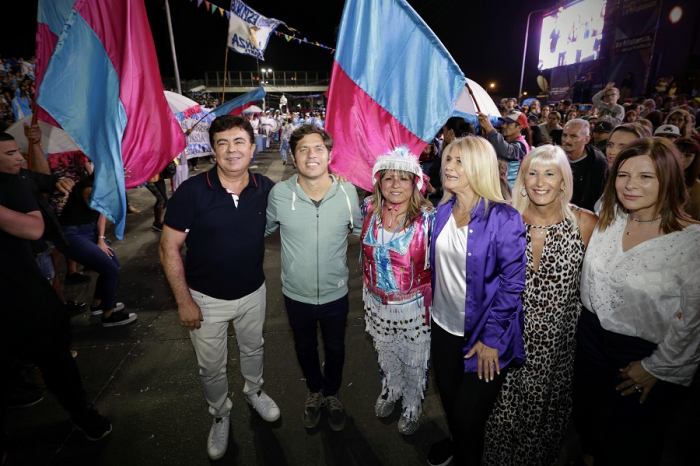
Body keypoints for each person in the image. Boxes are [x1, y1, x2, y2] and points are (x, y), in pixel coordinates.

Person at [159, 115, 280, 461]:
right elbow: (168, 248)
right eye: (223, 143)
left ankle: (254, 392)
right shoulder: (192, 192)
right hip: (205, 299)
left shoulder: (266, 188)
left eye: (239, 141)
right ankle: (220, 414)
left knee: (254, 348)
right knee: (211, 367)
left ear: (252, 147)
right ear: (212, 150)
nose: (231, 150)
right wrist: (184, 301)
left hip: (254, 292)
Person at [574, 137, 700, 466]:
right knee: (589, 422)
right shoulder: (608, 220)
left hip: (644, 353)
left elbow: (693, 322)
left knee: (630, 440)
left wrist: (656, 367)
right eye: (623, 175)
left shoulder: (691, 241)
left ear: (669, 179)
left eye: (645, 176)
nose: (630, 185)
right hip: (589, 339)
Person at [484, 145, 597, 466]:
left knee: (545, 419)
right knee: (502, 416)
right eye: (532, 172)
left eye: (550, 172)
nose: (539, 181)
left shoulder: (585, 224)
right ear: (521, 180)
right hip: (507, 343)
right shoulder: (504, 221)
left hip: (557, 351)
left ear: (564, 181)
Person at [0, 133, 112, 455]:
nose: (18, 158)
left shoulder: (12, 184)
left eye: (16, 151)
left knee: (55, 357)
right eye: (10, 153)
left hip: (25, 288)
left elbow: (34, 224)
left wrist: (34, 144)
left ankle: (82, 414)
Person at [427, 136, 527, 466]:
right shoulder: (441, 212)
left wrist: (491, 339)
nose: (449, 166)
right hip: (443, 329)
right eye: (448, 159)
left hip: (485, 336)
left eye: (459, 161)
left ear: (480, 167)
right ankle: (460, 449)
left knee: (469, 417)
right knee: (455, 410)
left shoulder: (504, 218)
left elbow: (513, 285)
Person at [265, 125, 362, 432]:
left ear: (329, 155)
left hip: (336, 294)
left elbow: (363, 232)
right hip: (296, 294)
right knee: (304, 348)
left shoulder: (347, 192)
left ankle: (332, 393)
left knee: (335, 348)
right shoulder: (280, 194)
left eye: (318, 148)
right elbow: (262, 230)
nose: (311, 155)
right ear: (293, 157)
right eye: (303, 149)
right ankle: (315, 391)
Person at [360, 147, 434, 436]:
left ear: (415, 183)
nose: (395, 185)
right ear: (379, 181)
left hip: (414, 305)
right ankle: (392, 390)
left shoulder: (428, 219)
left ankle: (413, 404)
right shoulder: (368, 210)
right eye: (389, 178)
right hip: (376, 302)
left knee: (414, 359)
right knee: (386, 352)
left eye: (403, 179)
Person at [561, 119, 608, 211]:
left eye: (573, 136)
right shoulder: (556, 157)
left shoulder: (597, 163)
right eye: (564, 135)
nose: (566, 140)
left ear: (586, 139)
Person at [478, 111, 531, 187]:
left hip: (512, 194)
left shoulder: (521, 145)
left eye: (508, 123)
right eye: (504, 123)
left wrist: (489, 128)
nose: (504, 126)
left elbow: (505, 151)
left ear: (519, 128)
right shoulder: (511, 142)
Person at [675, 136, 700, 220]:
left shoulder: (696, 186)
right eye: (678, 153)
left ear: (694, 159)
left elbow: (691, 217)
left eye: (688, 155)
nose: (681, 158)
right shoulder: (657, 176)